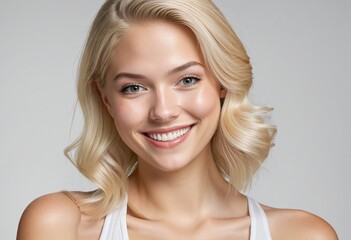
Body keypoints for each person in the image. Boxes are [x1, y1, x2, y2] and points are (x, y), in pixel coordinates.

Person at [17, 0, 338, 239]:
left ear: (222, 81)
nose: (163, 111)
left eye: (187, 80)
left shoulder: (303, 235)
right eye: (134, 87)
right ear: (105, 99)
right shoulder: (60, 226)